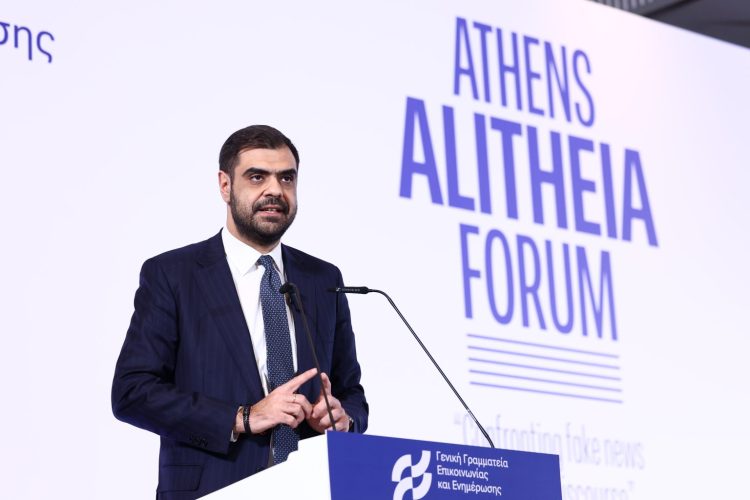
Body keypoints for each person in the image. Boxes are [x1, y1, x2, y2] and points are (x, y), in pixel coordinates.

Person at [112, 125, 368, 499]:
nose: (275, 190)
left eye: (287, 178)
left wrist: (341, 419)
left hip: (311, 488)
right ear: (225, 185)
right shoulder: (174, 275)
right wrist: (243, 417)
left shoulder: (323, 279)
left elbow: (351, 393)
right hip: (212, 488)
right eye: (257, 177)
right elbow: (133, 392)